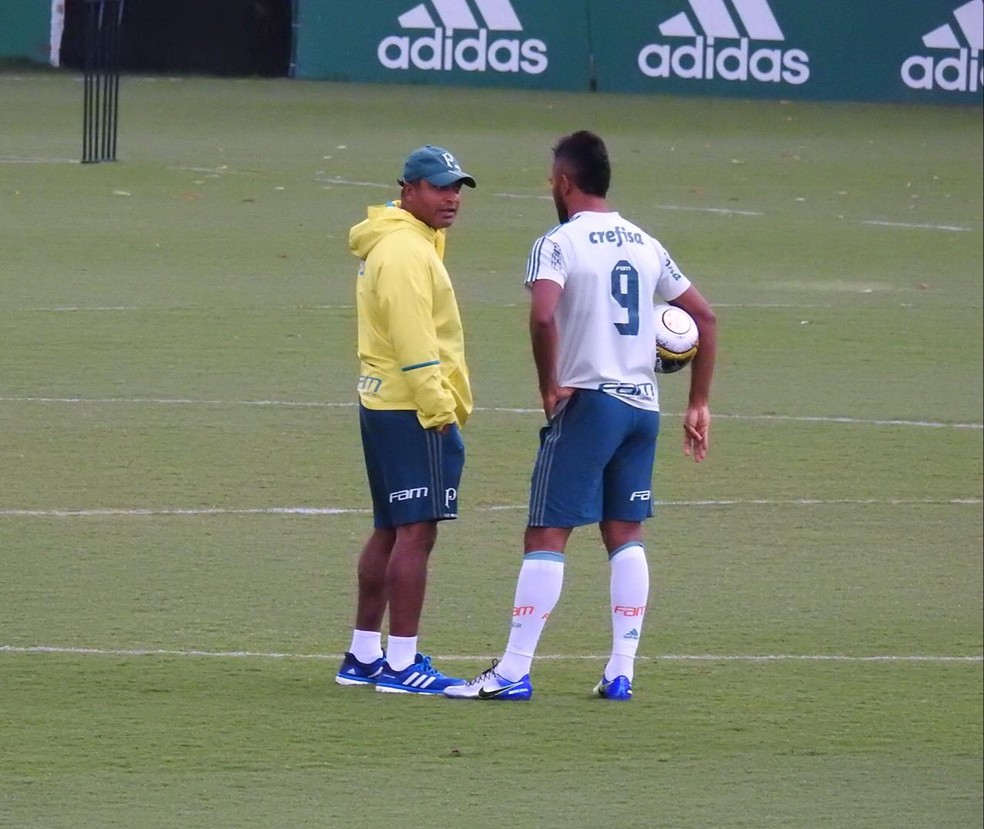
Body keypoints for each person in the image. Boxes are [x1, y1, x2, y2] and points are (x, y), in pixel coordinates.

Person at [445, 130, 716, 702]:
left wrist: (550, 385)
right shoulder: (646, 242)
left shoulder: (558, 242)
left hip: (590, 403)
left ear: (564, 182)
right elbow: (705, 318)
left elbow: (543, 316)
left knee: (546, 532)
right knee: (625, 534)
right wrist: (697, 402)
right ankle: (622, 670)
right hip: (643, 408)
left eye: (551, 179)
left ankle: (514, 671)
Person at [335, 144, 477, 694]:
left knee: (391, 528)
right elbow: (414, 339)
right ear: (407, 190)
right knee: (416, 533)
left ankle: (365, 654)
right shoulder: (403, 253)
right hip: (412, 408)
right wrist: (439, 410)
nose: (451, 199)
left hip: (385, 401)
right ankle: (401, 664)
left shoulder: (405, 243)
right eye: (440, 187)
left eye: (457, 188)